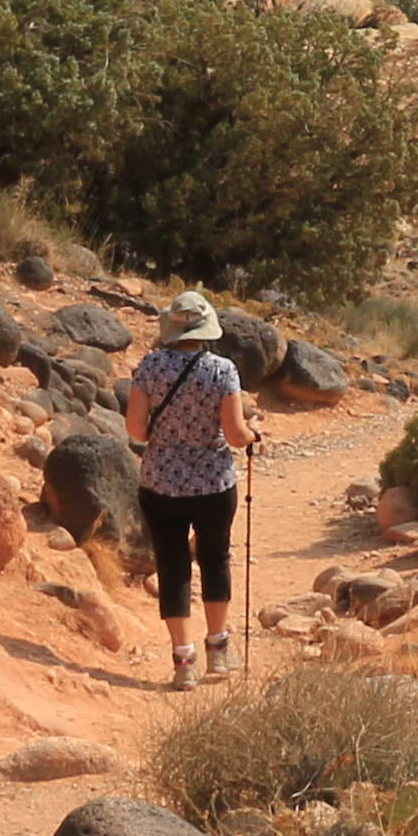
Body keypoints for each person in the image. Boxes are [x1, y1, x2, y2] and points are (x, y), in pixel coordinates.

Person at [120, 293, 258, 689]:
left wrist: (164, 437)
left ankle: (184, 663)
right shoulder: (222, 370)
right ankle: (218, 650)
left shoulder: (150, 366)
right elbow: (234, 434)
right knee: (215, 559)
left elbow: (135, 430)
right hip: (213, 484)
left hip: (160, 483)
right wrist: (253, 434)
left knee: (172, 565)